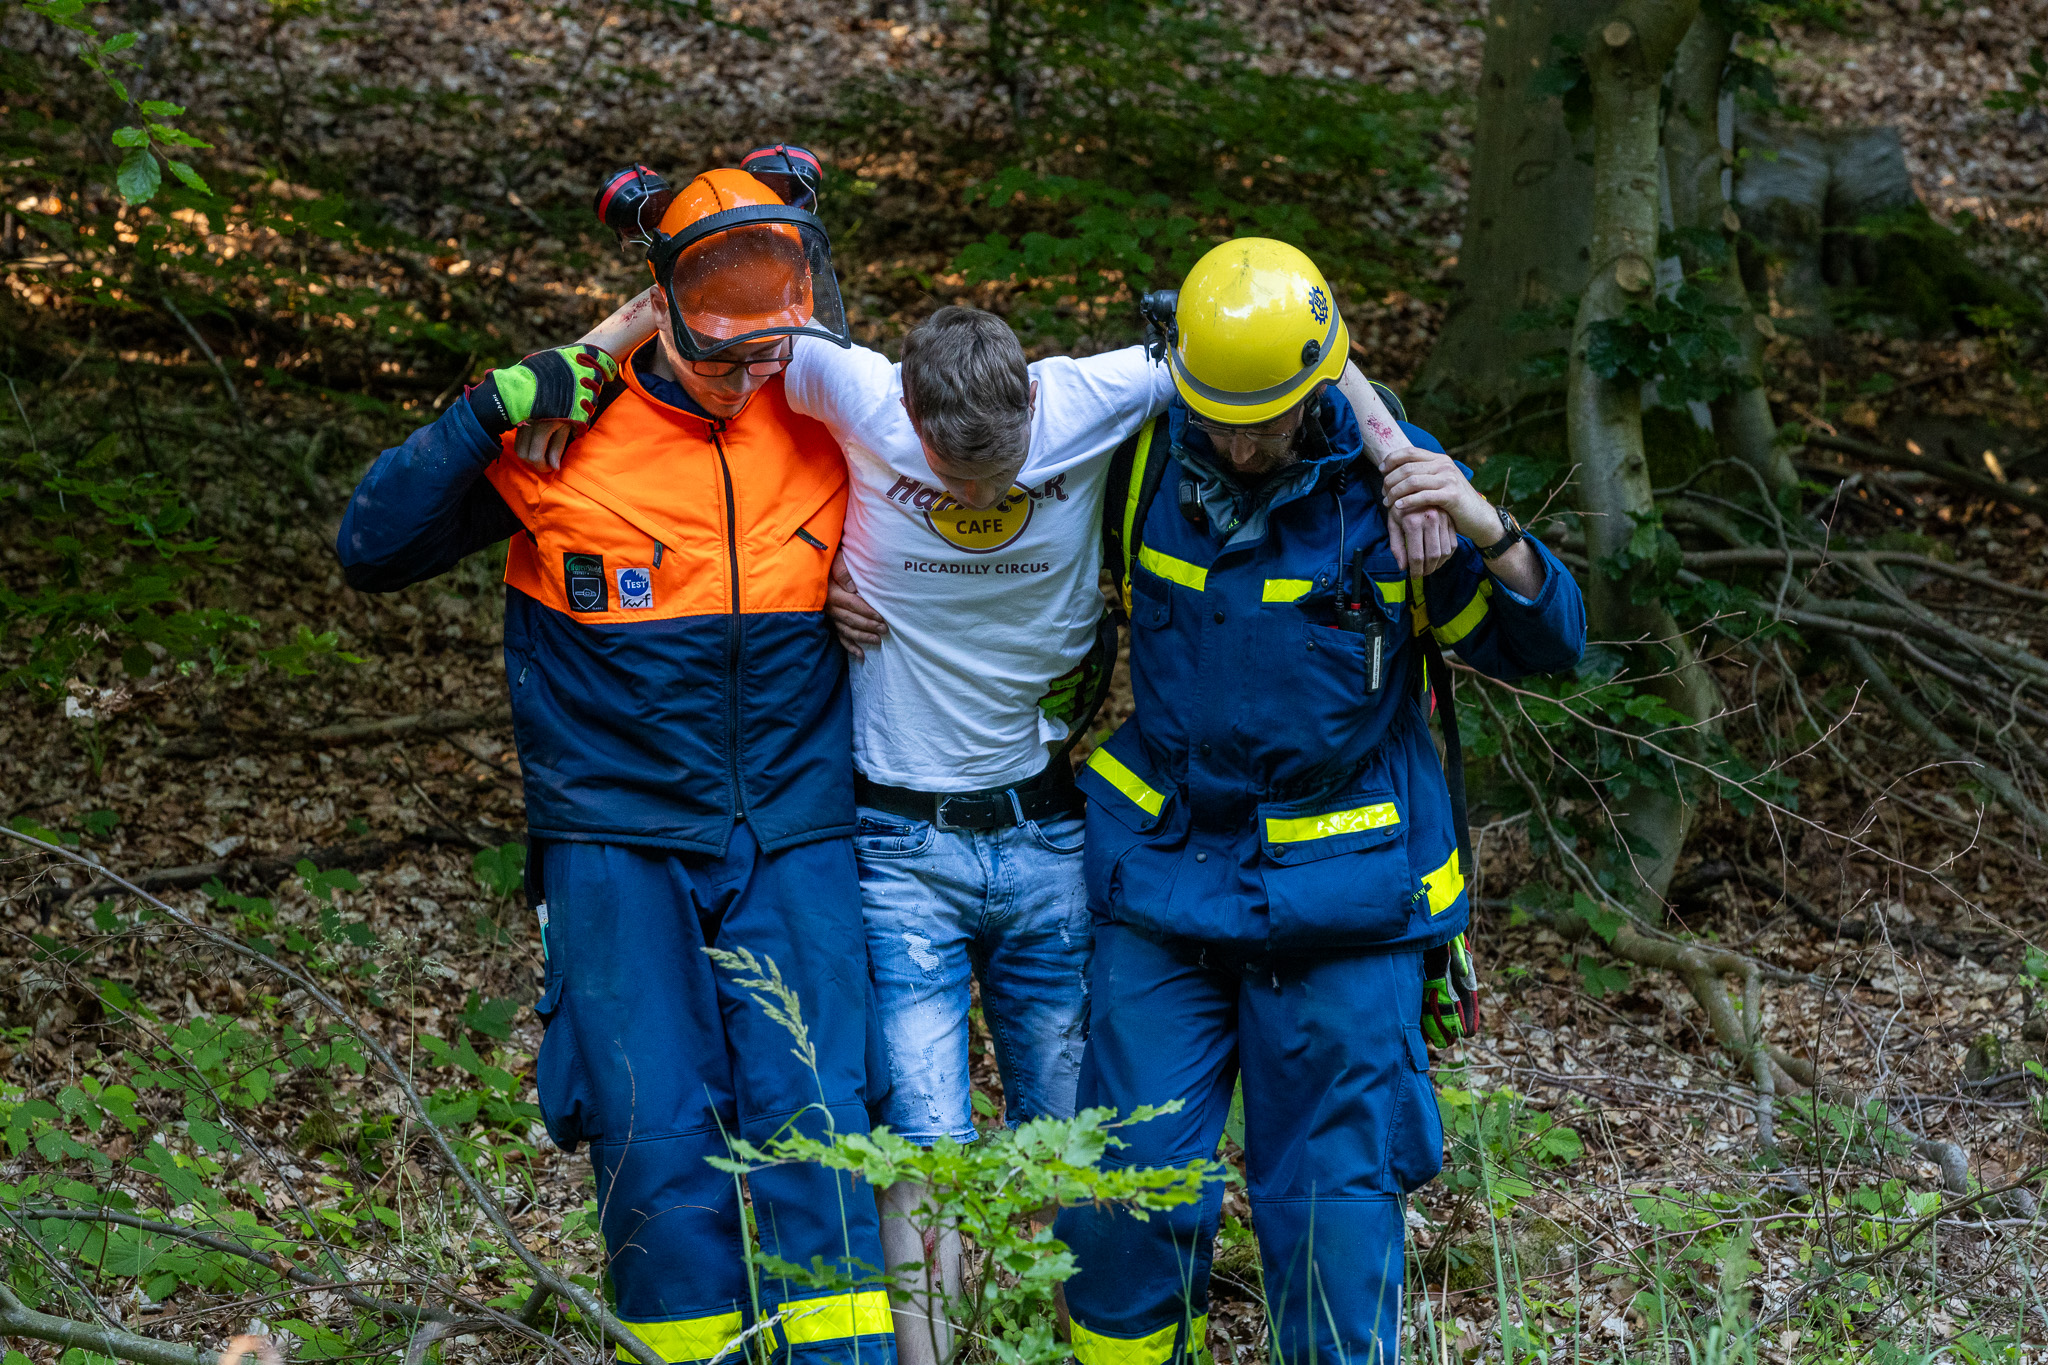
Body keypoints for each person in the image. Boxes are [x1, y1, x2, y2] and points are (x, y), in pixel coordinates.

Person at [546, 275, 1458, 1364]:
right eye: (948, 473)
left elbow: (1266, 358)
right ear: (908, 418)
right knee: (924, 1148)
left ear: (1033, 406)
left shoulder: (1094, 396)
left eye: (1004, 471)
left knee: (1084, 1148)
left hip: (1045, 837)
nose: (979, 494)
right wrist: (582, 382)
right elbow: (719, 324)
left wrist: (1395, 450)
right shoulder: (856, 389)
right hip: (896, 847)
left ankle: (1071, 1341)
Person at [335, 168, 898, 1365]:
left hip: (792, 829)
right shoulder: (560, 427)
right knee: (653, 1146)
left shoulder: (831, 418)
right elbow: (370, 546)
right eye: (726, 356)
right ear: (660, 304)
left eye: (771, 352)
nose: (750, 377)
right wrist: (492, 407)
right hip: (615, 839)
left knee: (819, 1137)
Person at [1052, 238, 1587, 1365]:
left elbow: (1550, 644)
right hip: (1166, 877)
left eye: (1264, 418)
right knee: (1123, 1203)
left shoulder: (1394, 485)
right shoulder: (1145, 457)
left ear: (1313, 386)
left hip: (1343, 902)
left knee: (1331, 1223)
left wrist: (1485, 526)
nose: (1238, 443)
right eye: (1216, 415)